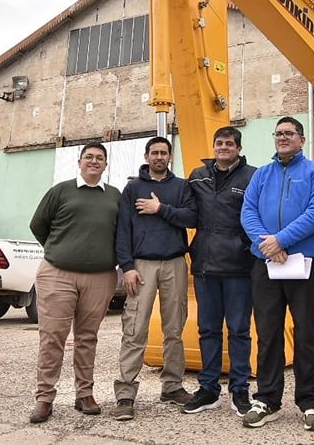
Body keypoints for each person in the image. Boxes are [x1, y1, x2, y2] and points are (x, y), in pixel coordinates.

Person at [239, 116, 314, 431]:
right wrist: (267, 245)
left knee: (307, 334)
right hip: (266, 263)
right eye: (278, 133)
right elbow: (248, 211)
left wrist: (281, 240)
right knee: (267, 333)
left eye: (289, 133)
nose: (283, 137)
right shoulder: (262, 174)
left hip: (303, 262)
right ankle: (267, 399)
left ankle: (310, 402)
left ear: (301, 140)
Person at [28, 142, 121, 423]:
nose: (94, 161)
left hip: (101, 277)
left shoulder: (114, 196)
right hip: (58, 274)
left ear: (105, 165)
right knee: (52, 336)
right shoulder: (61, 191)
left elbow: (122, 232)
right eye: (88, 157)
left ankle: (84, 394)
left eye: (99, 158)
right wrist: (58, 249)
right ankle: (45, 398)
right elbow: (38, 225)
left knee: (87, 338)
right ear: (79, 162)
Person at [112, 136, 199, 421]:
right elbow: (123, 230)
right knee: (135, 328)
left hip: (175, 262)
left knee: (174, 328)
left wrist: (160, 209)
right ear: (146, 156)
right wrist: (127, 266)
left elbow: (191, 218)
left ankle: (172, 386)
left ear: (170, 157)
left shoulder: (182, 186)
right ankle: (125, 393)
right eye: (155, 153)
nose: (159, 157)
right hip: (142, 265)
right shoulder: (133, 188)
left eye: (164, 153)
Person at [180, 127, 256, 417]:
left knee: (239, 331)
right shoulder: (198, 176)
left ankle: (240, 390)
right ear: (213, 146)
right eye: (219, 143)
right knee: (208, 330)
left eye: (229, 144)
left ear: (239, 148)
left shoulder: (252, 177)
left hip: (239, 267)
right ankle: (208, 389)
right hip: (205, 267)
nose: (224, 147)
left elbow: (257, 216)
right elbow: (188, 213)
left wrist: (248, 249)